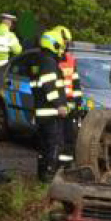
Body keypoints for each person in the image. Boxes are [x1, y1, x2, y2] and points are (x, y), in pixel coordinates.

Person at [34, 29, 68, 182]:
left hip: (42, 111)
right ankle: (49, 176)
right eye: (60, 45)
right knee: (54, 144)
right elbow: (50, 86)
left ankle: (42, 175)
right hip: (50, 111)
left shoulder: (40, 60)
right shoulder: (48, 62)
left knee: (44, 146)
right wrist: (59, 105)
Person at [54, 25, 81, 166]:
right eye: (65, 42)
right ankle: (54, 166)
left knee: (69, 138)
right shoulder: (51, 60)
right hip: (55, 105)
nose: (66, 46)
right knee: (56, 138)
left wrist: (78, 102)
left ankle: (66, 167)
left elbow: (75, 83)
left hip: (69, 105)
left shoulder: (71, 60)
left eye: (67, 43)